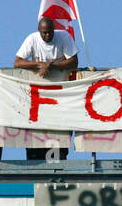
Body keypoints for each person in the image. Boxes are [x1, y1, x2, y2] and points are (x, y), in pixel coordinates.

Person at [14, 16, 78, 160]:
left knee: (57, 142)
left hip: (60, 97)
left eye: (50, 32)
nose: (47, 35)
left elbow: (74, 62)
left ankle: (55, 167)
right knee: (35, 143)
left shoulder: (64, 37)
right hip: (38, 98)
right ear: (39, 32)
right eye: (44, 33)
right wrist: (40, 65)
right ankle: (35, 166)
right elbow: (17, 62)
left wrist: (51, 65)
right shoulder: (32, 39)